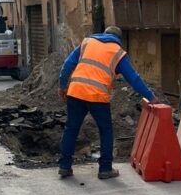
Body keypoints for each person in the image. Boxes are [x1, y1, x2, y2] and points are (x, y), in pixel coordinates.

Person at [58, 25, 156, 180]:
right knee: (105, 131)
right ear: (118, 39)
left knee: (71, 128)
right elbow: (134, 78)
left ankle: (64, 166)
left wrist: (62, 86)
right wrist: (151, 97)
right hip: (97, 96)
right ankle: (105, 169)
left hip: (76, 92)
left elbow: (67, 65)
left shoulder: (87, 42)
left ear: (104, 34)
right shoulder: (118, 53)